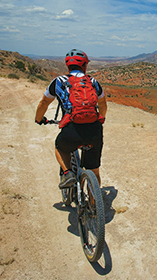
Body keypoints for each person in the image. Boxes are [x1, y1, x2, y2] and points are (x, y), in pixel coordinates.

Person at [35, 49, 108, 188]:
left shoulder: (58, 82)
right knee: (95, 171)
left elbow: (43, 103)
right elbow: (103, 103)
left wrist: (39, 119)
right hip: (94, 130)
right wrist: (102, 118)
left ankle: (67, 173)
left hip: (71, 130)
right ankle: (94, 204)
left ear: (67, 66)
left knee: (59, 147)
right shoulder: (93, 82)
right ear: (85, 66)